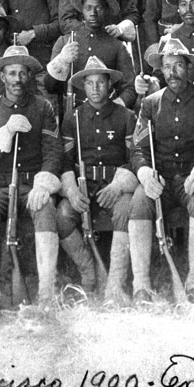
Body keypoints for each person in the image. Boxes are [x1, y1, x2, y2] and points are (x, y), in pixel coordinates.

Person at [129, 38, 194, 303]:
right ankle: (141, 285)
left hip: (189, 178)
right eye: (167, 66)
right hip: (159, 177)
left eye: (178, 65)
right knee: (138, 202)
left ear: (189, 68)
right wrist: (146, 174)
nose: (172, 72)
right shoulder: (149, 103)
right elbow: (138, 150)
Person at [0, 45, 63, 316]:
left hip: (32, 186)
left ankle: (47, 293)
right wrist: (5, 133)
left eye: (23, 73)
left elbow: (53, 151)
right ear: (2, 77)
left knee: (46, 210)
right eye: (11, 73)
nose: (17, 80)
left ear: (30, 76)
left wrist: (43, 184)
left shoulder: (43, 107)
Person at [57, 56, 139, 301]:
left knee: (126, 211)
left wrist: (118, 185)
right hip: (84, 185)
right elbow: (64, 159)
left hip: (115, 185)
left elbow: (135, 157)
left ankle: (114, 283)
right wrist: (71, 190)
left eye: (100, 83)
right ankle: (89, 271)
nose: (95, 88)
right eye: (90, 83)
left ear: (110, 85)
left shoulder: (125, 116)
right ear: (83, 86)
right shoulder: (73, 117)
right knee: (62, 216)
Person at [45, 0, 138, 110]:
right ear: (82, 10)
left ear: (107, 10)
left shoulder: (117, 46)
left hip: (107, 115)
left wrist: (114, 108)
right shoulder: (65, 42)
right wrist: (62, 60)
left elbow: (129, 88)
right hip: (73, 114)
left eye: (98, 8)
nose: (93, 13)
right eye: (88, 8)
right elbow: (50, 86)